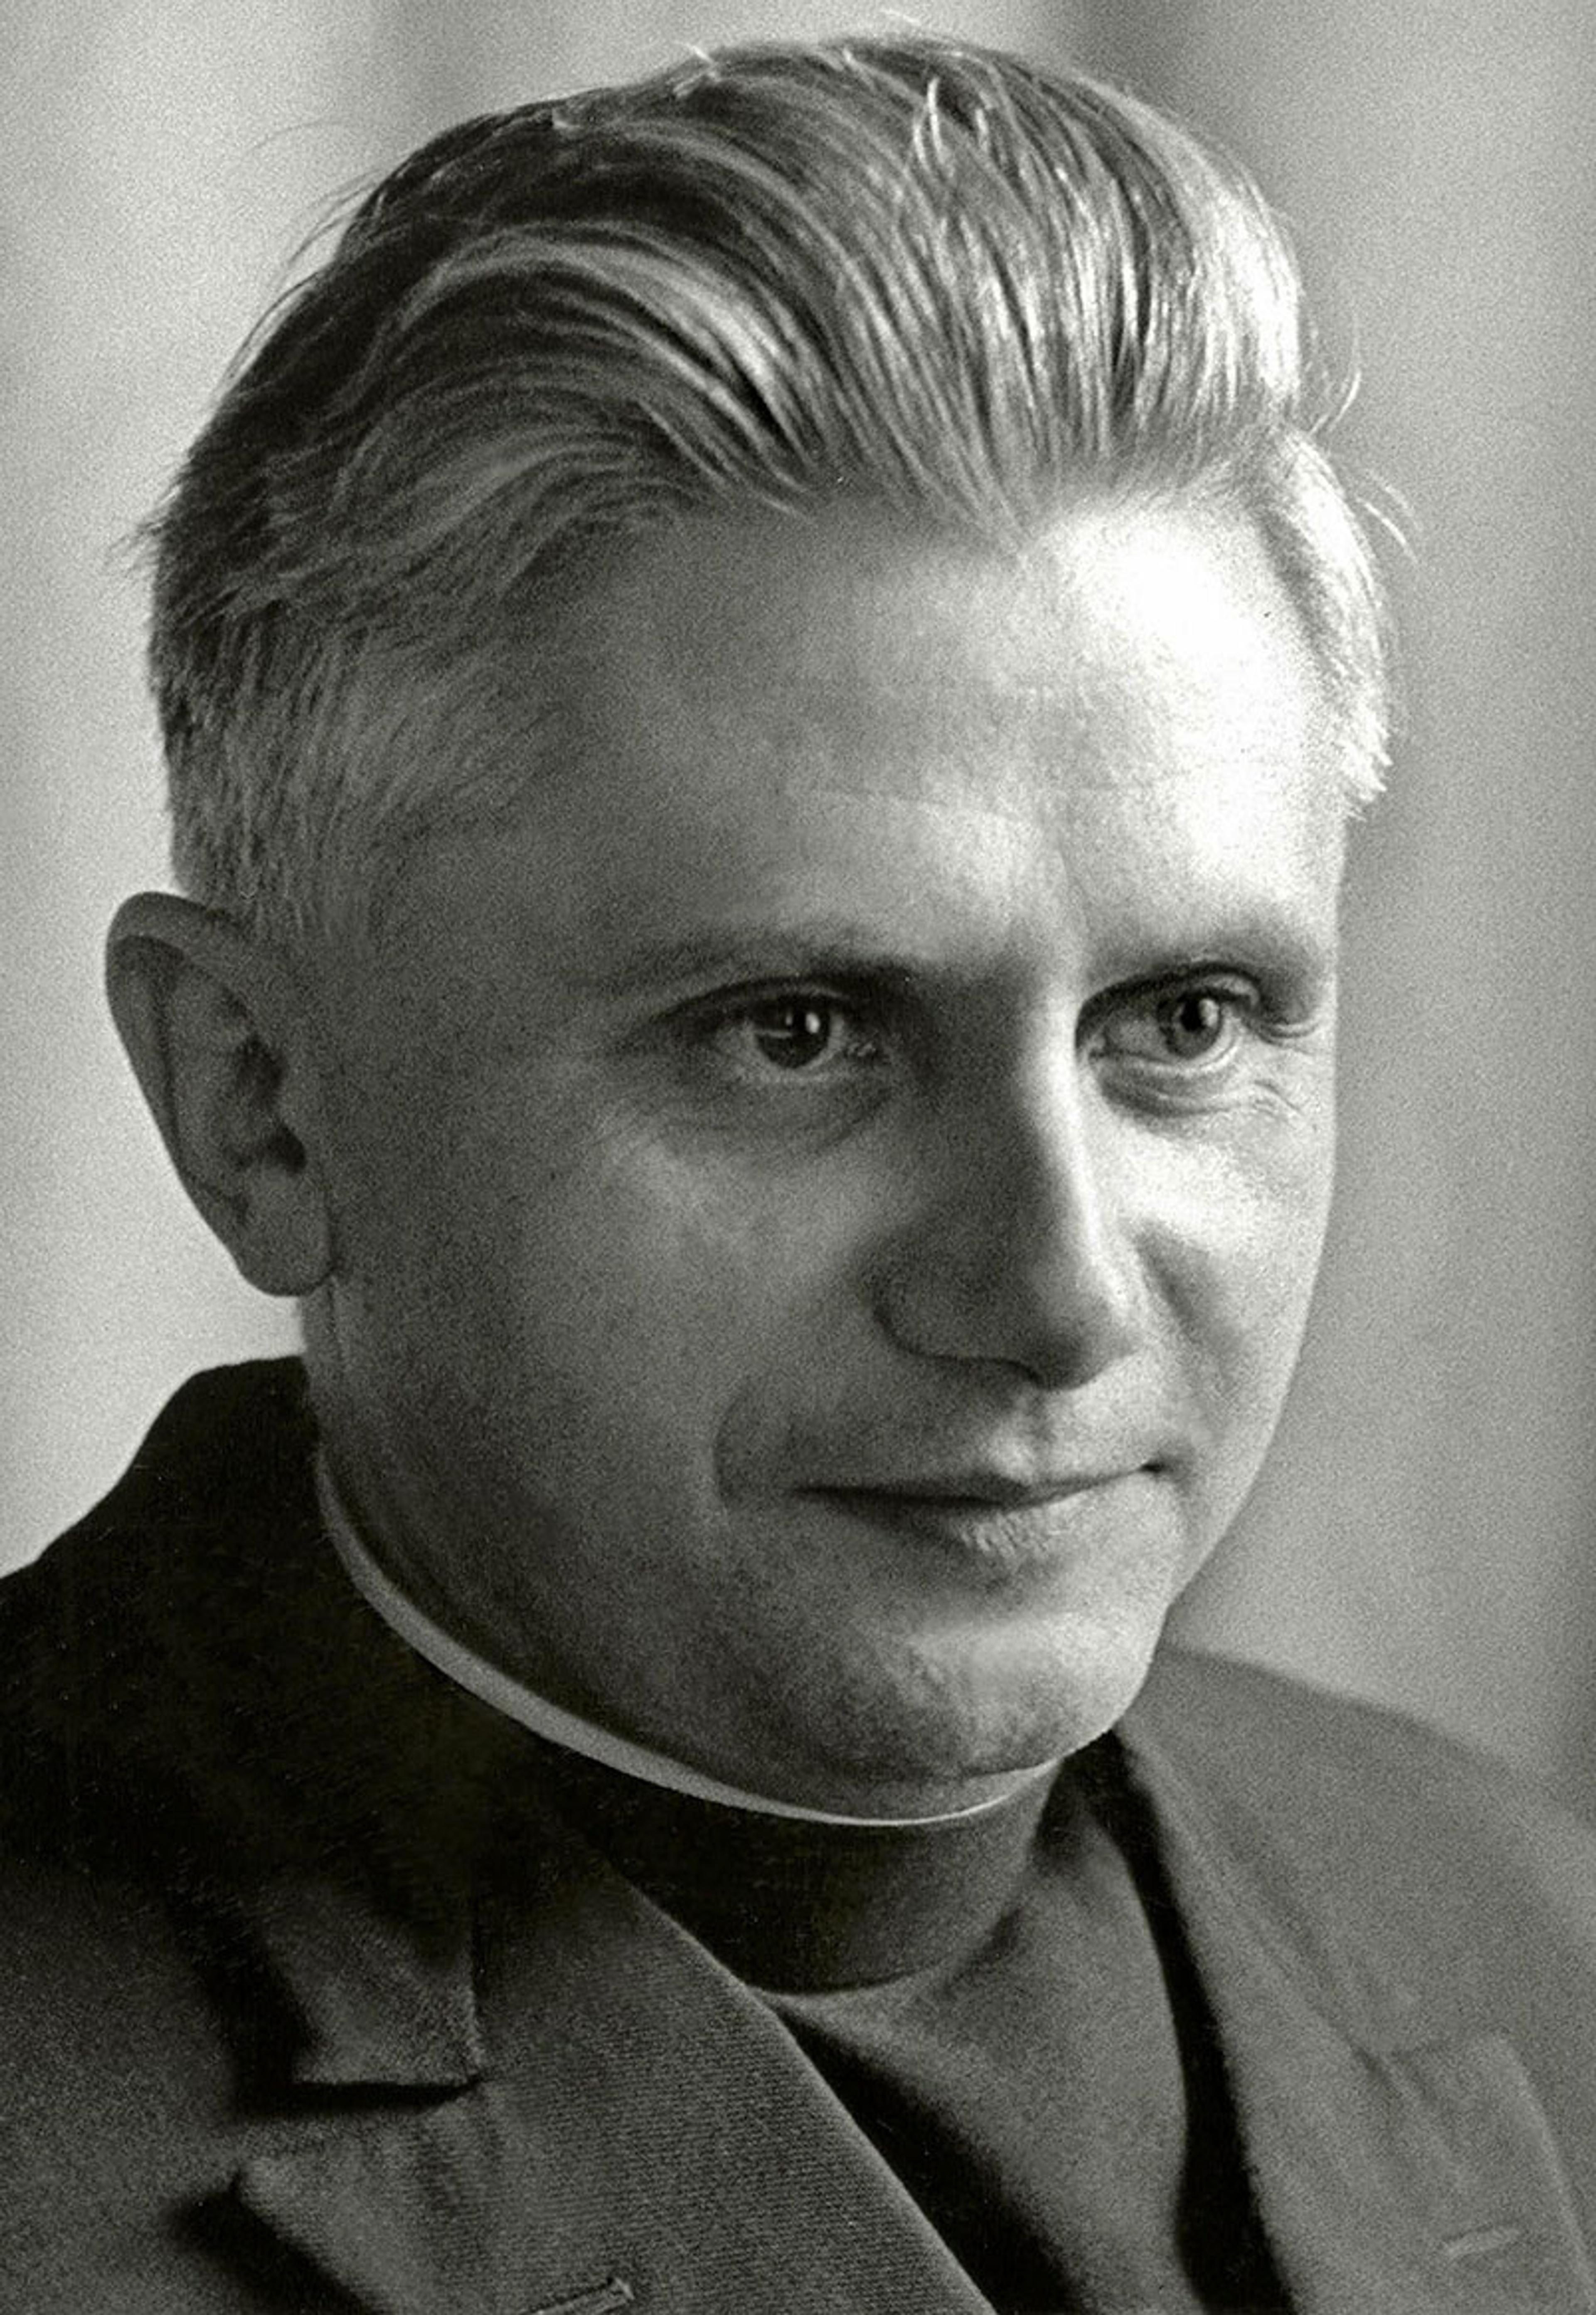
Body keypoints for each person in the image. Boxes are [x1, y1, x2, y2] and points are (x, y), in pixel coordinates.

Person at [4, 32, 1594, 2314]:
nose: (1056, 1290)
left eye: (1186, 1023)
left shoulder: (1526, 1925)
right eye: (803, 1035)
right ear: (259, 1098)